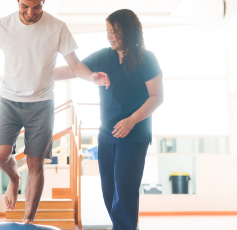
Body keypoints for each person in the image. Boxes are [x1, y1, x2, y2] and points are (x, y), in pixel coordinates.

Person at [0, 0, 108, 224]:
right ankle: (14, 178)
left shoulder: (57, 27)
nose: (30, 12)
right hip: (9, 101)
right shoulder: (3, 26)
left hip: (42, 103)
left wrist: (91, 77)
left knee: (36, 164)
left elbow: (75, 64)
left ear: (44, 2)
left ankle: (28, 221)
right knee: (1, 155)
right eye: (25, 6)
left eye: (36, 7)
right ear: (17, 2)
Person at [54, 9, 164, 230]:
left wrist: (132, 120)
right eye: (107, 31)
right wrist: (36, 73)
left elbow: (157, 96)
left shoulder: (146, 58)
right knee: (109, 193)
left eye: (114, 31)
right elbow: (72, 70)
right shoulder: (104, 56)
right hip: (106, 136)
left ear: (128, 30)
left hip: (134, 136)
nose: (109, 36)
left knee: (124, 194)